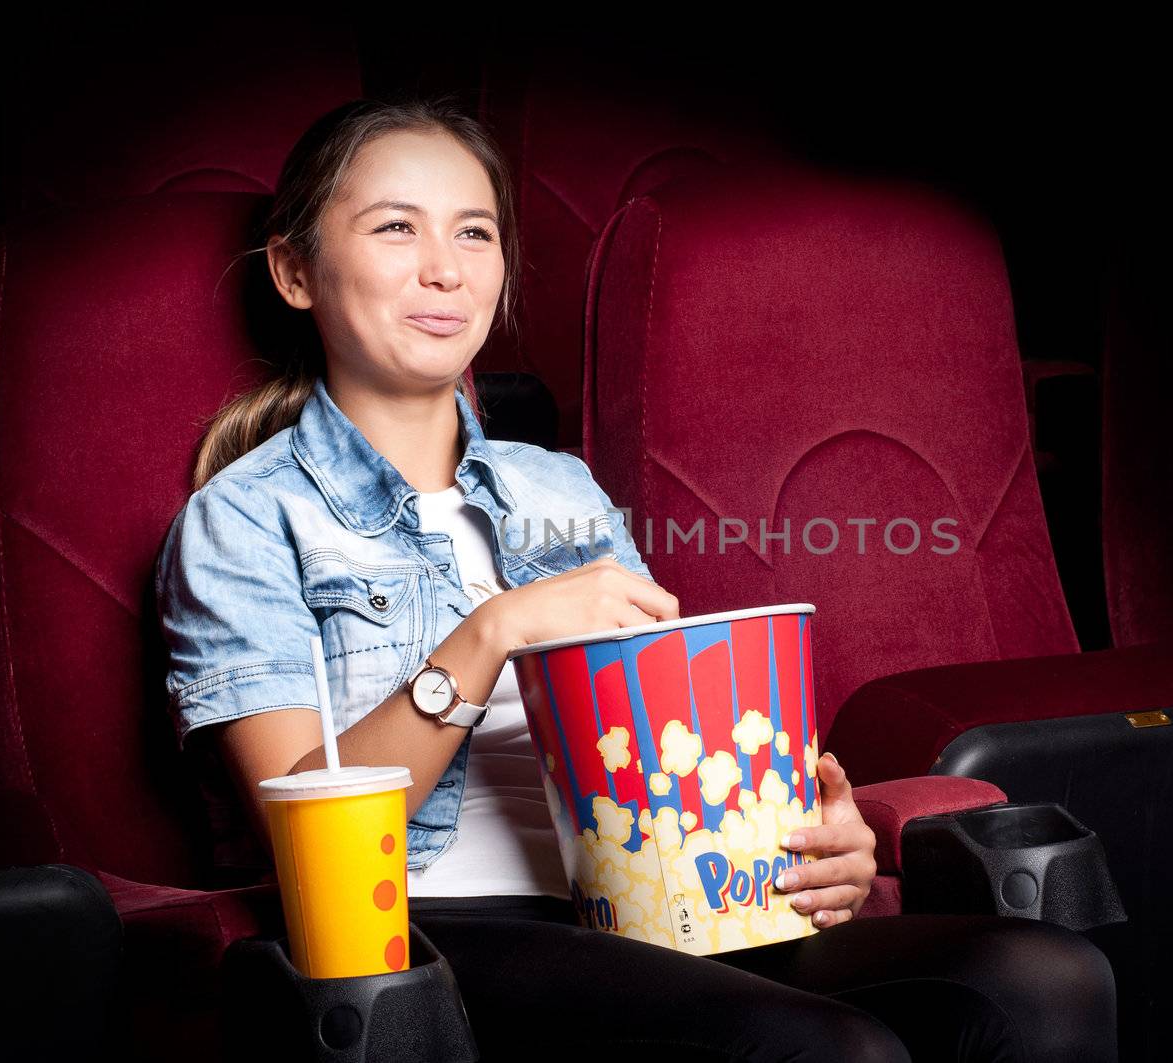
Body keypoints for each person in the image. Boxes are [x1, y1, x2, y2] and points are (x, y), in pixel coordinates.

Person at [155, 93, 1117, 1062]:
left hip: (647, 900)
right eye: (395, 228)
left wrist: (813, 837)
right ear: (293, 271)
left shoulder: (557, 488)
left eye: (474, 232)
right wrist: (489, 634)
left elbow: (669, 749)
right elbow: (304, 826)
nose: (444, 268)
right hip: (435, 932)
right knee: (832, 1047)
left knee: (1044, 975)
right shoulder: (241, 517)